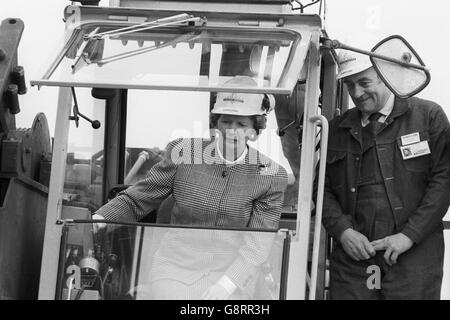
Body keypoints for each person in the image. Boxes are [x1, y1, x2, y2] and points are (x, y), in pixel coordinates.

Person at [92, 75, 288, 299]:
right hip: (174, 270)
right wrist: (98, 221)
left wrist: (226, 286)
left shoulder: (270, 175)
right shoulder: (183, 153)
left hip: (232, 278)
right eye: (226, 121)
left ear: (255, 127)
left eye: (241, 124)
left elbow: (257, 245)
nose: (232, 130)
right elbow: (138, 198)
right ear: (215, 122)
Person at [322, 46, 450, 299]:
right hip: (355, 263)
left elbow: (444, 182)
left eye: (364, 82)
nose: (357, 93)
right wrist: (343, 231)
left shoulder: (429, 117)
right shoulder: (338, 128)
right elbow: (320, 189)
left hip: (412, 261)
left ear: (385, 75)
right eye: (349, 85)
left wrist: (409, 236)